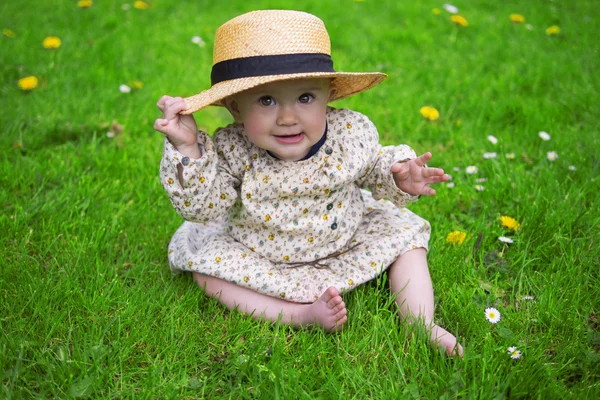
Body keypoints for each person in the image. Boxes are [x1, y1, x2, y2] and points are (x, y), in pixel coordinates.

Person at [154, 9, 463, 356]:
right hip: (261, 252)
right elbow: (201, 207)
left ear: (328, 94)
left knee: (406, 238)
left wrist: (399, 174)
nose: (288, 117)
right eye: (266, 100)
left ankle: (420, 323)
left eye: (305, 98)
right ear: (235, 108)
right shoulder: (233, 151)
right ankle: (299, 316)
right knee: (206, 270)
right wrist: (188, 149)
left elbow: (373, 164)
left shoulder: (347, 133)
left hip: (346, 236)